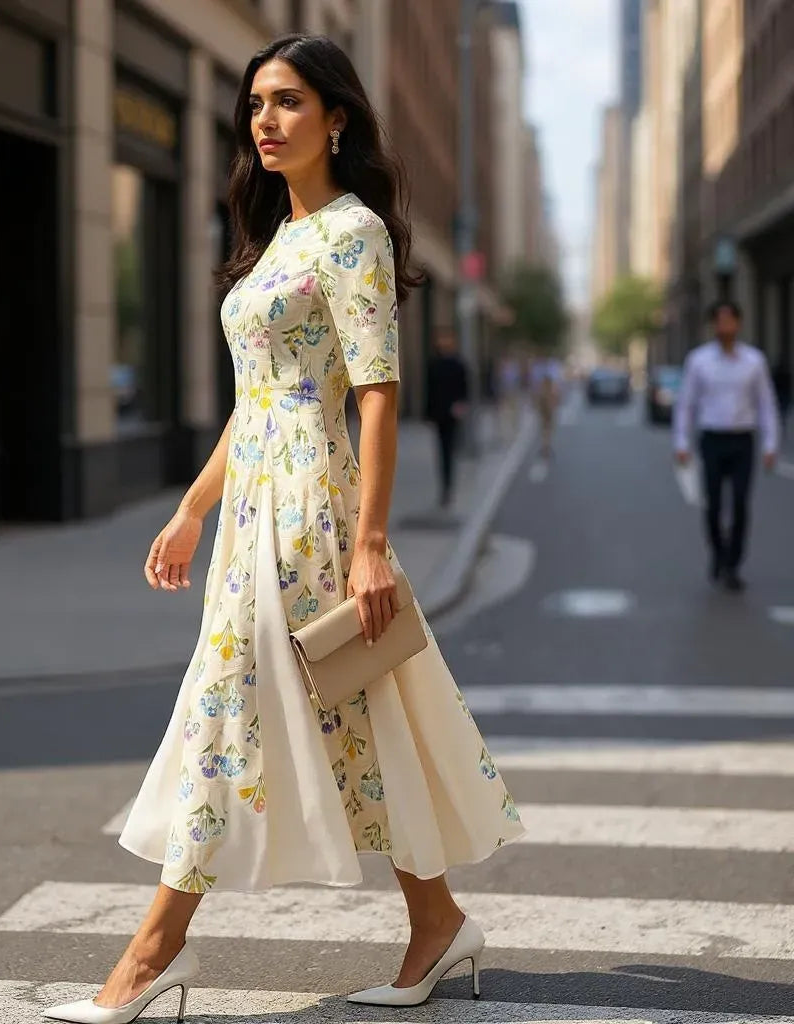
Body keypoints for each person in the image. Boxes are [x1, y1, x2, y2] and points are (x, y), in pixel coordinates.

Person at [43, 34, 524, 1024]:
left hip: (313, 510)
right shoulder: (279, 240)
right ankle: (437, 921)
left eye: (290, 100)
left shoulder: (352, 234)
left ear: (336, 118)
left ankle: (150, 954)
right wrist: (190, 504)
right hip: (252, 510)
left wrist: (370, 542)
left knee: (230, 710)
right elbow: (252, 404)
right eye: (256, 102)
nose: (265, 119)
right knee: (356, 718)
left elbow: (379, 397)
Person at [674, 300, 780, 592]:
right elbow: (686, 404)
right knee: (714, 504)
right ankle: (718, 555)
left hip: (742, 439)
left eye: (730, 321)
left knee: (741, 503)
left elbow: (766, 404)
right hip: (712, 439)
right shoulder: (699, 361)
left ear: (738, 324)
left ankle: (733, 563)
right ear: (713, 326)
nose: (725, 327)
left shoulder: (754, 361)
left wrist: (770, 443)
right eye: (719, 322)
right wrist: (681, 441)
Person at [425, 327, 469, 507]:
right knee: (442, 451)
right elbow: (429, 390)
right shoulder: (434, 364)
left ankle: (448, 487)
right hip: (439, 414)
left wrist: (461, 405)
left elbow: (463, 389)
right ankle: (445, 486)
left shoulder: (458, 364)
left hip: (452, 414)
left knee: (449, 450)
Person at [529, 351, 561, 458]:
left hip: (544, 399)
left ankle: (545, 445)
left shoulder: (538, 369)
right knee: (547, 425)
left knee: (545, 426)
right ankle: (546, 446)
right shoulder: (551, 369)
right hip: (547, 400)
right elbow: (555, 388)